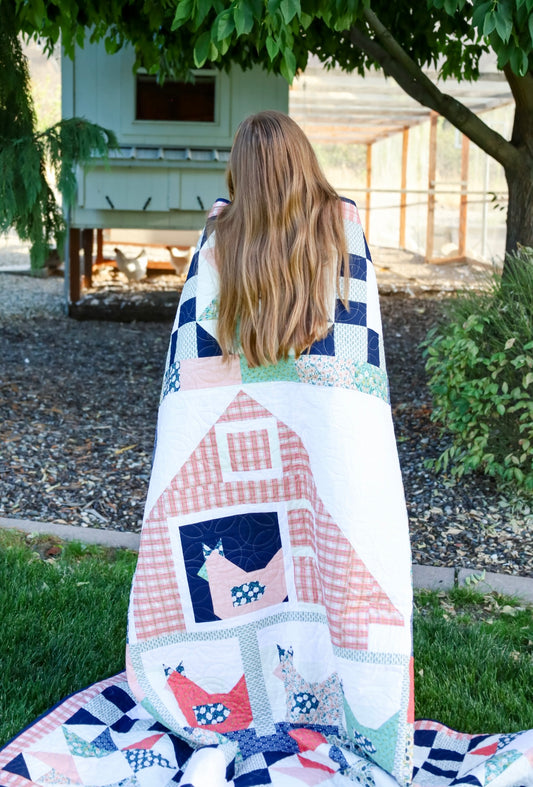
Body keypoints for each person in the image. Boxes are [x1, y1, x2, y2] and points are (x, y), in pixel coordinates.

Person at [2, 111, 531, 787]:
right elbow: (357, 363)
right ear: (305, 161)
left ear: (241, 173)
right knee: (329, 567)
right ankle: (333, 697)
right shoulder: (341, 229)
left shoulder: (220, 237)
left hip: (248, 449)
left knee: (268, 571)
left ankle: (255, 698)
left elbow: (190, 368)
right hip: (328, 444)